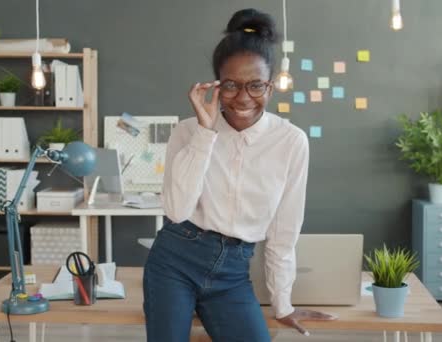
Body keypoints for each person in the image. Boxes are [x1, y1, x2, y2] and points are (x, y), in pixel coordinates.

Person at [143, 8, 336, 341]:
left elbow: (283, 230)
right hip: (175, 262)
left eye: (256, 85)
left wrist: (282, 301)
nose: (243, 98)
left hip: (233, 273)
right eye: (231, 85)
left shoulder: (291, 142)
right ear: (216, 86)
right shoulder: (188, 132)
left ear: (270, 88)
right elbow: (176, 211)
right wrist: (206, 134)